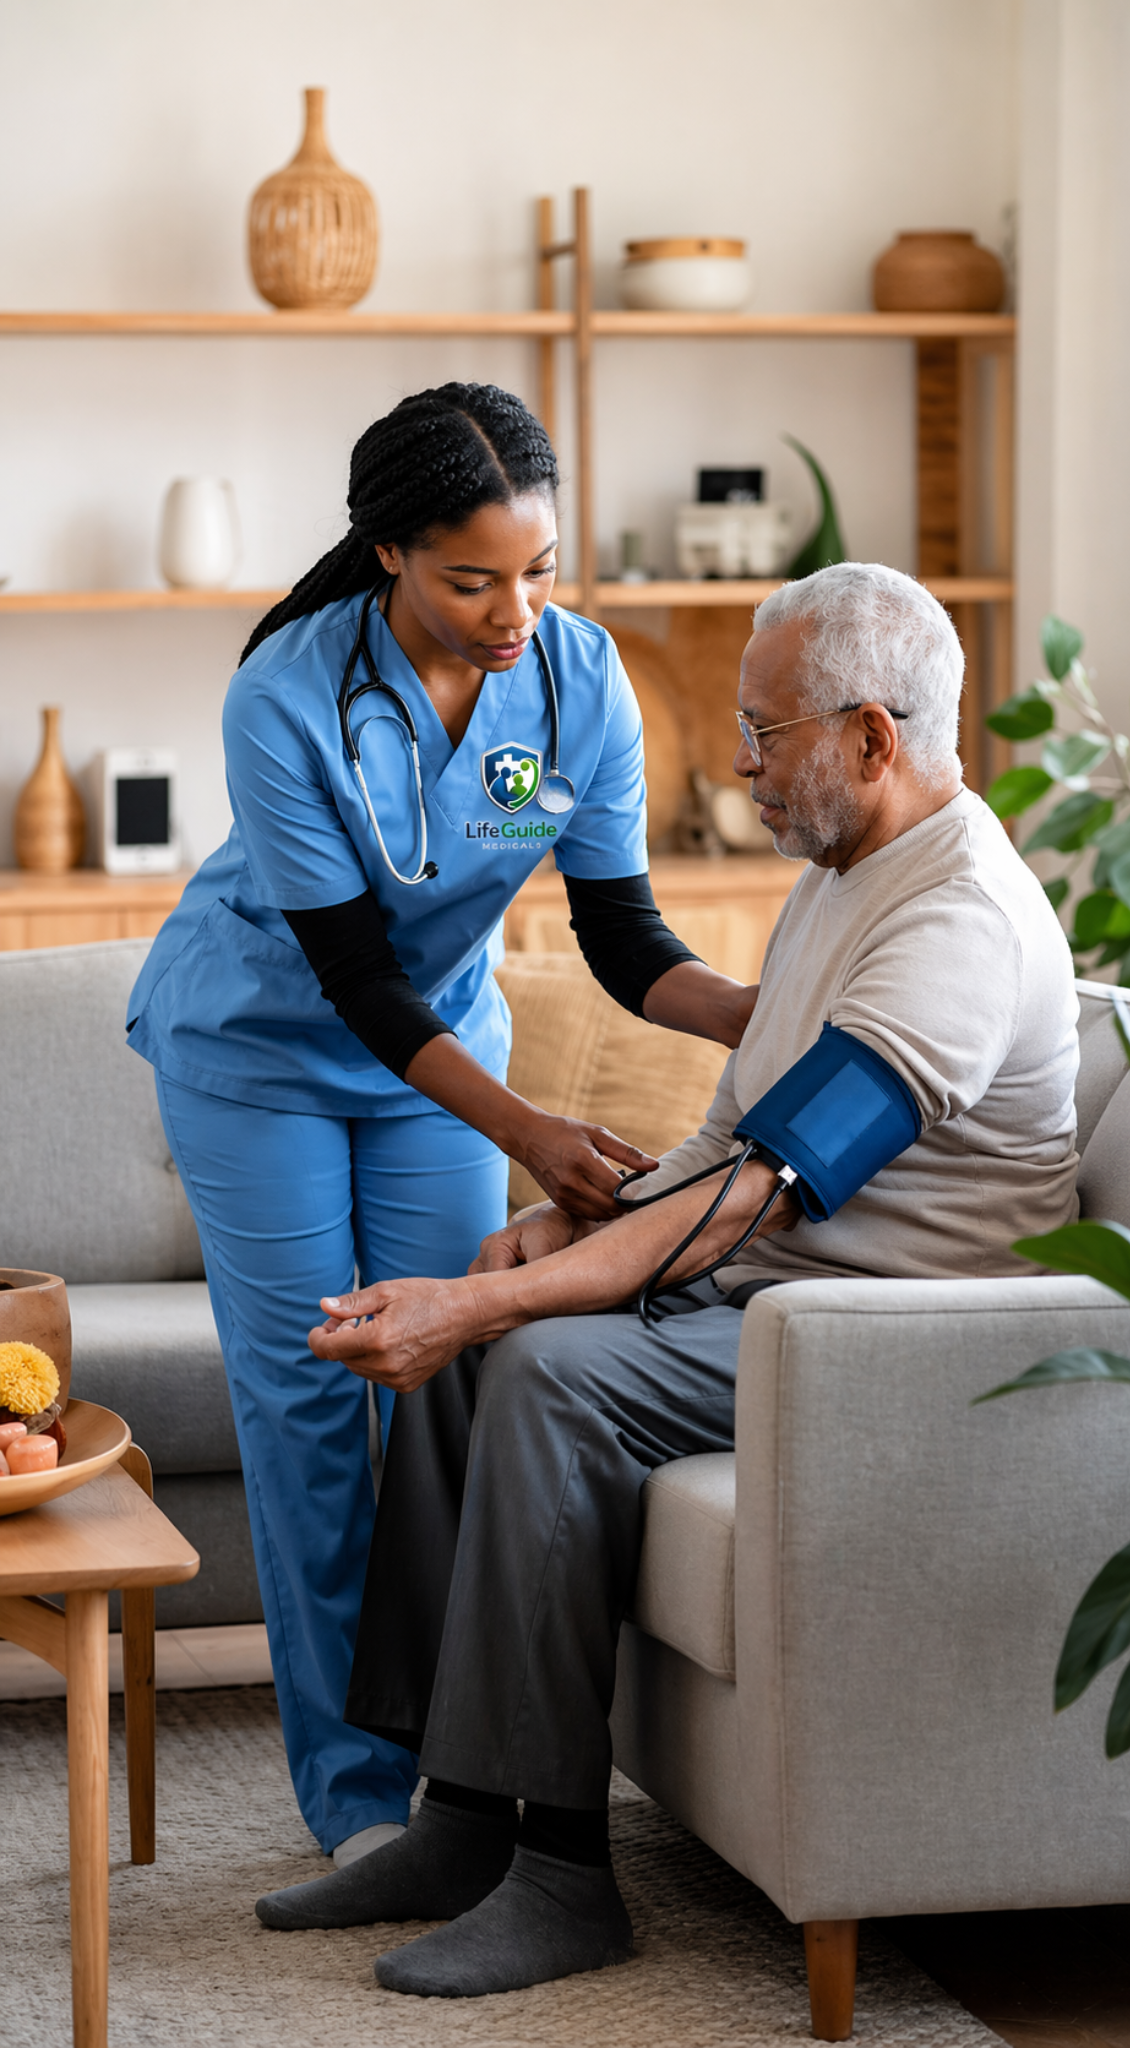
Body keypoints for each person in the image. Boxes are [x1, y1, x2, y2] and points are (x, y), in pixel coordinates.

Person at [253, 562, 1081, 1997]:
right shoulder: (844, 872)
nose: (740, 765)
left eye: (767, 735)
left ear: (873, 739)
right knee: (480, 1345)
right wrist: (549, 1235)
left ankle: (569, 1879)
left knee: (543, 1369)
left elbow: (758, 1191)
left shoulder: (958, 926)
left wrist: (499, 1303)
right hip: (780, 1295)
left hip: (881, 1341)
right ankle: (459, 1823)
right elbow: (724, 1139)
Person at [125, 383, 758, 1864]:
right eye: (474, 579)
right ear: (393, 552)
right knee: (311, 1404)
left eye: (538, 570)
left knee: (451, 1382)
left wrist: (767, 1011)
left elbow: (619, 932)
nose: (514, 610)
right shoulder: (286, 691)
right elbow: (352, 975)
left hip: (440, 1062)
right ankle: (351, 1796)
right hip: (261, 1051)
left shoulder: (579, 679)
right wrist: (537, 1130)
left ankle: (456, 1776)